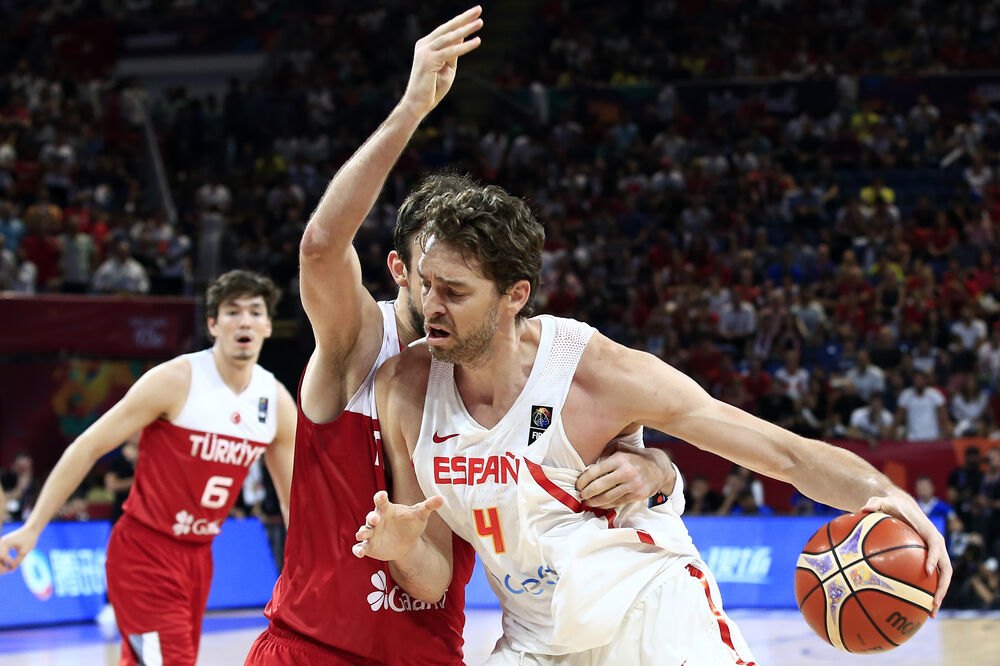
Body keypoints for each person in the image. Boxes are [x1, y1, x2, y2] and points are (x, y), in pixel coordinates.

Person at [354, 184, 952, 664]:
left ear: (515, 294)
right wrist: (401, 549)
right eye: (426, 285)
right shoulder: (403, 390)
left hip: (652, 614)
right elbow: (431, 580)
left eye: (454, 291)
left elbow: (784, 455)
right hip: (537, 641)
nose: (431, 306)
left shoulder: (595, 373)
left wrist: (887, 495)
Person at [246, 8, 678, 665]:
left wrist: (655, 467)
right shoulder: (358, 344)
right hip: (313, 647)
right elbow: (319, 246)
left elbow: (610, 452)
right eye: (429, 273)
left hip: (429, 648)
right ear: (402, 270)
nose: (440, 289)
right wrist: (412, 106)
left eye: (460, 277)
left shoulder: (493, 364)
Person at [0, 269, 296, 666]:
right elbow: (86, 447)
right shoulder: (176, 379)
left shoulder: (274, 400)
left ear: (267, 325)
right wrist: (34, 527)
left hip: (200, 557)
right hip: (144, 552)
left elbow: (293, 497)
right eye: (232, 311)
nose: (244, 320)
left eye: (254, 311)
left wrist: (304, 570)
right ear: (213, 324)